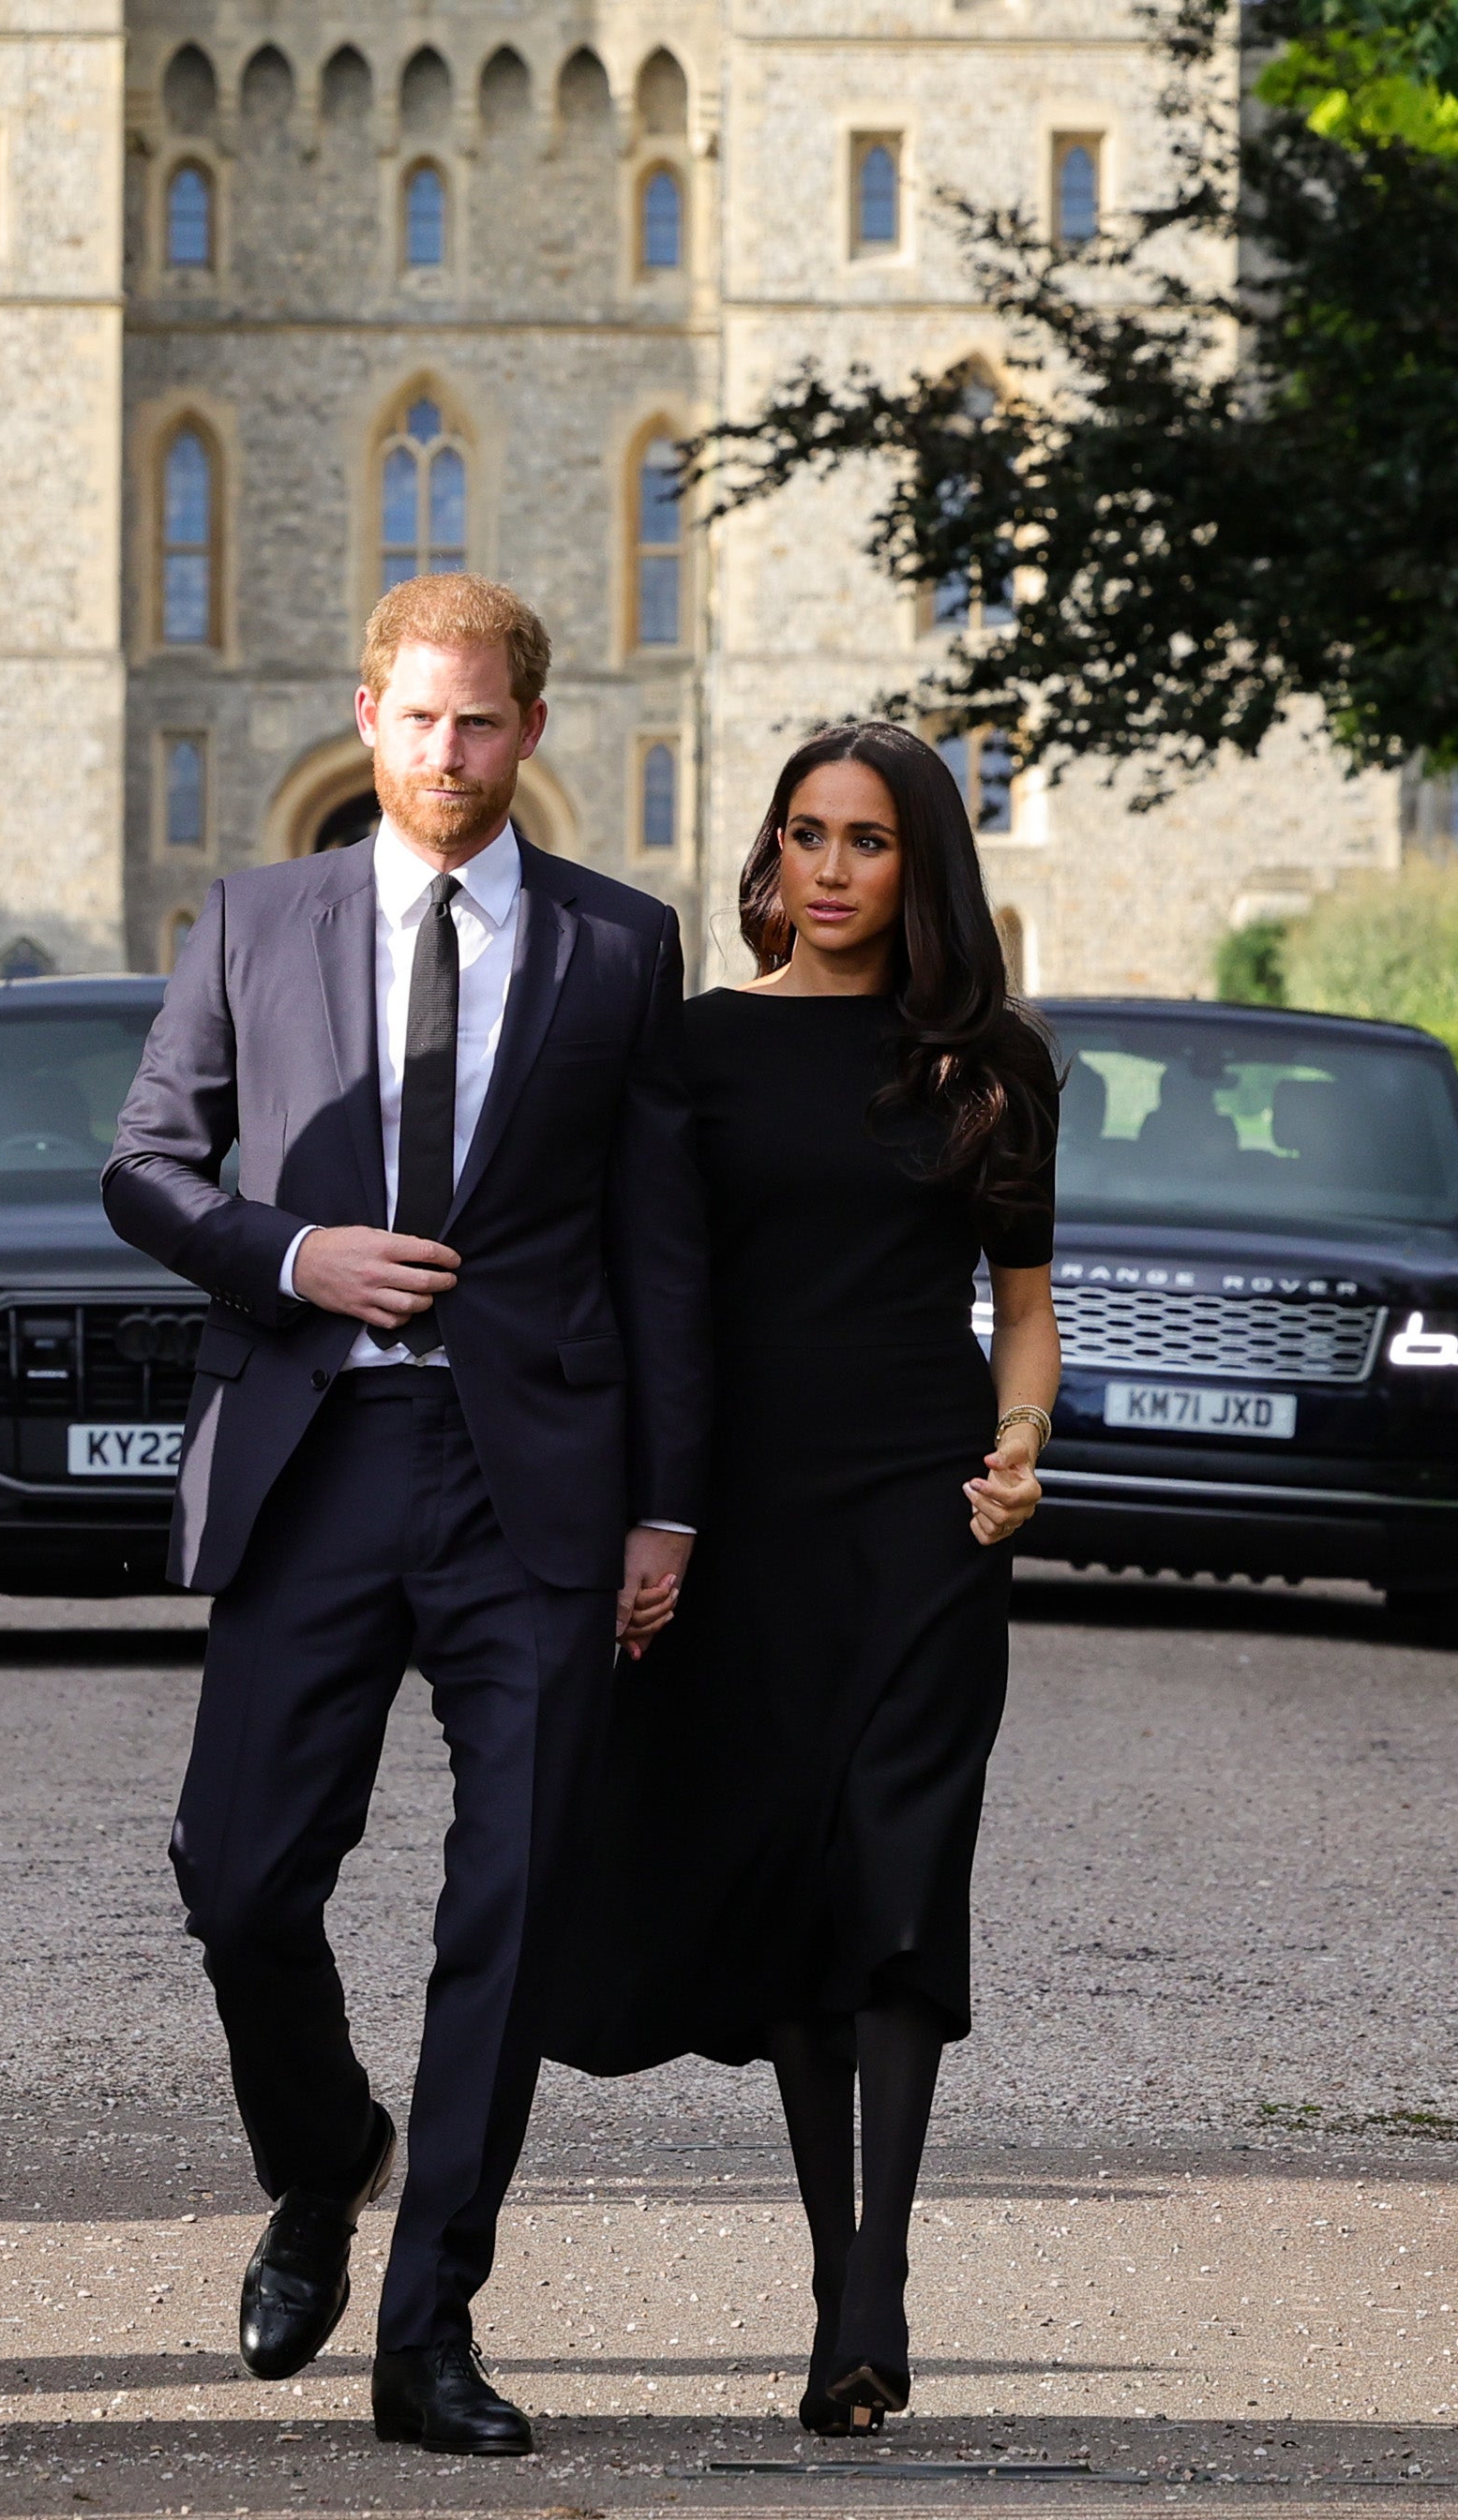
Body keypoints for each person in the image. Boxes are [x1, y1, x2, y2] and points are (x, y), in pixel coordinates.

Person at [103, 574, 710, 2455]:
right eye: (418, 718)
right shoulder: (253, 919)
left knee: (510, 1907)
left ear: (533, 732)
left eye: (483, 724)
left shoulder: (622, 946)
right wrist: (289, 1251)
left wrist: (668, 1508)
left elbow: (661, 1251)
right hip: (316, 1461)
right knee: (237, 1873)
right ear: (366, 711)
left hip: (539, 1482)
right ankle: (324, 2154)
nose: (448, 758)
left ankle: (431, 2325)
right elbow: (142, 1169)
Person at [542, 721, 1060, 2438]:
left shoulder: (988, 1061)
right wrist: (643, 1517)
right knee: (791, 1890)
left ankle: (874, 2282)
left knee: (901, 1876)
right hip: (741, 1521)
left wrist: (1020, 1449)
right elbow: (649, 1298)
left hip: (922, 1519)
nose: (834, 869)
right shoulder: (691, 1052)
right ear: (774, 855)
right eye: (808, 835)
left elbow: (1027, 1307)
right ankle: (837, 2258)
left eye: (870, 840)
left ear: (922, 866)